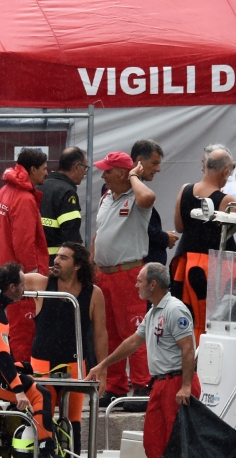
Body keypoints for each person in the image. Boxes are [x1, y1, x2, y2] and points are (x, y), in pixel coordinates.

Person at [0, 241, 108, 458]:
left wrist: (102, 368)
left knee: (73, 420)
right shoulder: (42, 283)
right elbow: (4, 275)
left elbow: (100, 334)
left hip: (75, 364)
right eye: (56, 255)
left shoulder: (93, 293)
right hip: (42, 361)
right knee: (43, 412)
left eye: (63, 257)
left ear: (78, 265)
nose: (56, 260)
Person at [0, 262, 78, 458]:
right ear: (12, 287)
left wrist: (19, 366)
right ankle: (47, 454)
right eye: (23, 285)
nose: (26, 289)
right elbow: (2, 356)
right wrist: (19, 391)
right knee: (40, 395)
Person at [86, 263, 201, 458]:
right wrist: (102, 365)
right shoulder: (154, 312)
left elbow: (188, 349)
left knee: (176, 441)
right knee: (153, 442)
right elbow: (132, 342)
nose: (136, 285)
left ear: (153, 284)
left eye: (139, 281)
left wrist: (185, 386)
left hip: (177, 382)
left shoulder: (174, 310)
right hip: (160, 383)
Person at [92, 152, 155, 408]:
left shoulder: (136, 196)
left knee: (132, 330)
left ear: (121, 173)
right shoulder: (107, 196)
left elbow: (148, 197)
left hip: (128, 273)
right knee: (110, 334)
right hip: (104, 274)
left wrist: (133, 176)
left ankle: (142, 385)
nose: (103, 175)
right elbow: (99, 234)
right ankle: (116, 386)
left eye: (107, 170)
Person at [0, 148, 50, 362]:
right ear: (32, 169)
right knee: (22, 336)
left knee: (6, 333)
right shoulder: (24, 198)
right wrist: (32, 278)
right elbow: (24, 244)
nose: (47, 173)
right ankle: (23, 384)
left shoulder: (3, 192)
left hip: (1, 273)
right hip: (18, 278)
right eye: (44, 168)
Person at [171, 145, 236, 345]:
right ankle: (203, 362)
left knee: (185, 316)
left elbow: (179, 227)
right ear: (225, 171)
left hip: (185, 263)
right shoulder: (226, 201)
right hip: (212, 266)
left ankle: (186, 361)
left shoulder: (185, 190)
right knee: (210, 320)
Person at [130, 139, 179, 265]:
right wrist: (164, 238)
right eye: (154, 163)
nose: (158, 169)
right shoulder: (126, 187)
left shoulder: (133, 185)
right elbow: (139, 226)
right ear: (139, 160)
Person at [38, 147, 87, 265]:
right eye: (85, 168)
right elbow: (71, 236)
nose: (85, 172)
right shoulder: (67, 192)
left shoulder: (39, 186)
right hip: (56, 262)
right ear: (76, 167)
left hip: (36, 259)